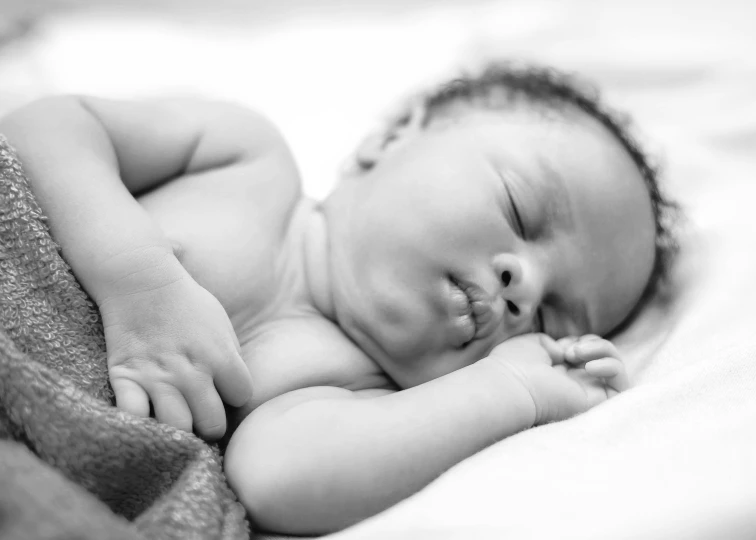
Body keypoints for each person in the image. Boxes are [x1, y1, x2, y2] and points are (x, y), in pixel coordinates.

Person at [0, 62, 677, 535]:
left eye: (554, 315)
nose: (525, 287)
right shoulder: (241, 156)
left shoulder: (350, 395)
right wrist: (138, 279)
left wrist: (514, 390)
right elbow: (53, 128)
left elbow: (276, 483)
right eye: (521, 210)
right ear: (392, 137)